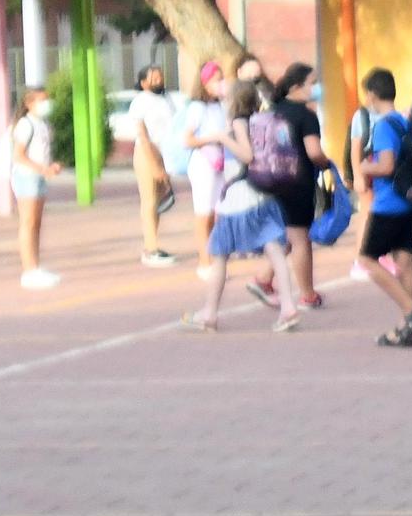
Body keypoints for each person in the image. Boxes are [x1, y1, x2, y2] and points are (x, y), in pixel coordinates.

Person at [179, 80, 301, 334]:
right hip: (260, 195)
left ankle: (209, 313)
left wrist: (224, 137)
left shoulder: (237, 123)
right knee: (275, 250)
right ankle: (288, 305)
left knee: (220, 254)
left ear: (233, 101)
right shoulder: (260, 120)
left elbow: (246, 155)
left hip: (237, 200)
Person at [354, 68, 412, 347]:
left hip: (389, 204)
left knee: (367, 261)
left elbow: (386, 165)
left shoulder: (384, 125)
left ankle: (411, 310)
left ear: (372, 94)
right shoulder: (404, 120)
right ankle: (406, 329)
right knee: (404, 264)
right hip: (411, 201)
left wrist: (364, 166)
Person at [247, 64, 331, 312]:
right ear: (296, 86)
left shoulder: (272, 111)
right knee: (300, 238)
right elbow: (314, 152)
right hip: (297, 182)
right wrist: (327, 164)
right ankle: (307, 294)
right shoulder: (305, 116)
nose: (315, 88)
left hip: (270, 181)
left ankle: (263, 278)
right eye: (312, 83)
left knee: (285, 234)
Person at [7, 86, 65, 290]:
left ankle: (36, 266)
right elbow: (19, 155)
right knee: (28, 223)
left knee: (36, 224)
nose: (46, 104)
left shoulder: (42, 123)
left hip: (39, 176)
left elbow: (42, 151)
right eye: (41, 100)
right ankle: (29, 270)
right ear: (29, 103)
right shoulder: (25, 124)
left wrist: (51, 167)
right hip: (26, 177)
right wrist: (42, 169)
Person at [178, 62, 232, 280]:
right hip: (203, 163)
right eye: (216, 80)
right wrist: (214, 138)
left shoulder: (221, 106)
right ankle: (204, 261)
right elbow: (187, 139)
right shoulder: (197, 108)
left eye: (222, 79)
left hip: (220, 162)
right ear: (204, 82)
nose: (220, 84)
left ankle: (214, 257)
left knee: (218, 212)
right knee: (204, 213)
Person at [126, 65, 178, 268]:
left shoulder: (167, 99)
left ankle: (154, 243)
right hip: (147, 153)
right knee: (148, 202)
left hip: (165, 154)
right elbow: (142, 136)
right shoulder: (140, 102)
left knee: (158, 202)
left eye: (160, 76)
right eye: (153, 77)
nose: (158, 79)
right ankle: (150, 249)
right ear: (143, 82)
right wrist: (154, 164)